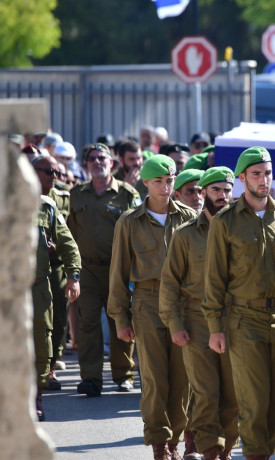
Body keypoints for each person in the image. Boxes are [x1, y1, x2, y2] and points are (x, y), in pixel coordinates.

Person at [202, 147, 275, 459]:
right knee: (253, 402)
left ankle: (264, 452)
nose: (264, 179)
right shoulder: (225, 222)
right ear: (241, 179)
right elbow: (214, 280)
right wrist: (215, 328)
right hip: (243, 319)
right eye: (256, 174)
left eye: (268, 172)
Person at [107, 155, 196, 459]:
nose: (165, 186)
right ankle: (160, 445)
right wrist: (120, 318)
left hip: (184, 306)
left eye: (170, 180)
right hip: (147, 302)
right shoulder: (129, 221)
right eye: (158, 181)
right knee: (155, 379)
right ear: (145, 182)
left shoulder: (188, 218)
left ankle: (175, 441)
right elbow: (118, 272)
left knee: (182, 380)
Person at [161, 167, 239, 460]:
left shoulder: (240, 231)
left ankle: (227, 449)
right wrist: (174, 324)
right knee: (206, 393)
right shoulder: (185, 236)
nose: (223, 196)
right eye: (216, 190)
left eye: (227, 190)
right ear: (204, 193)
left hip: (236, 319)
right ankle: (208, 451)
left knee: (233, 397)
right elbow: (169, 283)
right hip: (197, 321)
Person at [67, 142, 140, 398]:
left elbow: (137, 232)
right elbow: (70, 232)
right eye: (93, 159)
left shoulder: (127, 193)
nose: (98, 162)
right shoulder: (76, 194)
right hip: (87, 268)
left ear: (112, 163)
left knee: (119, 319)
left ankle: (123, 375)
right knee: (88, 324)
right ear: (86, 165)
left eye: (103, 158)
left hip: (117, 269)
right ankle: (90, 378)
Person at [32, 164, 81, 420]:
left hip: (38, 285)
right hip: (4, 290)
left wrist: (73, 276)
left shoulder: (46, 207)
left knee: (42, 339)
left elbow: (68, 244)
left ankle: (37, 398)